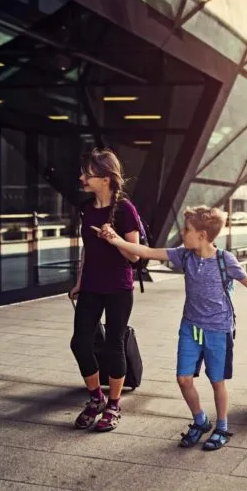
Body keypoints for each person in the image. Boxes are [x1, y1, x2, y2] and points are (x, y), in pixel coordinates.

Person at [98, 206, 247, 450]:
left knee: (217, 381)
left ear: (203, 235)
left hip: (218, 329)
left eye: (187, 230)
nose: (182, 234)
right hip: (190, 327)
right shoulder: (184, 255)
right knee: (183, 379)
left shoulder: (224, 259)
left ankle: (222, 428)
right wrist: (116, 240)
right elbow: (147, 251)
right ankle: (201, 421)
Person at [69, 149, 143, 433]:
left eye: (87, 173)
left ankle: (114, 404)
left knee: (114, 346)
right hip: (91, 286)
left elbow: (135, 256)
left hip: (118, 288)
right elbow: (87, 249)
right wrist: (79, 281)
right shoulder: (86, 207)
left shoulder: (125, 209)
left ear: (105, 178)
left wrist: (114, 239)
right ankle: (95, 398)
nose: (82, 178)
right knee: (80, 343)